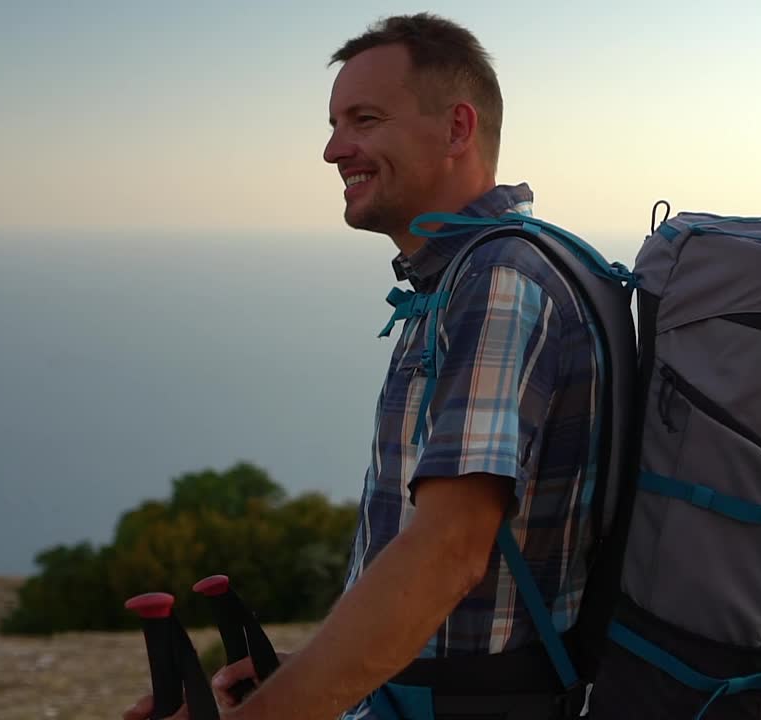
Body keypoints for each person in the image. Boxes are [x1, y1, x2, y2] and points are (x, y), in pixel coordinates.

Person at [123, 12, 606, 720]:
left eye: (365, 119)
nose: (332, 149)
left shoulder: (499, 283)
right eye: (334, 122)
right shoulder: (473, 278)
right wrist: (304, 680)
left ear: (457, 130)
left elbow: (448, 551)